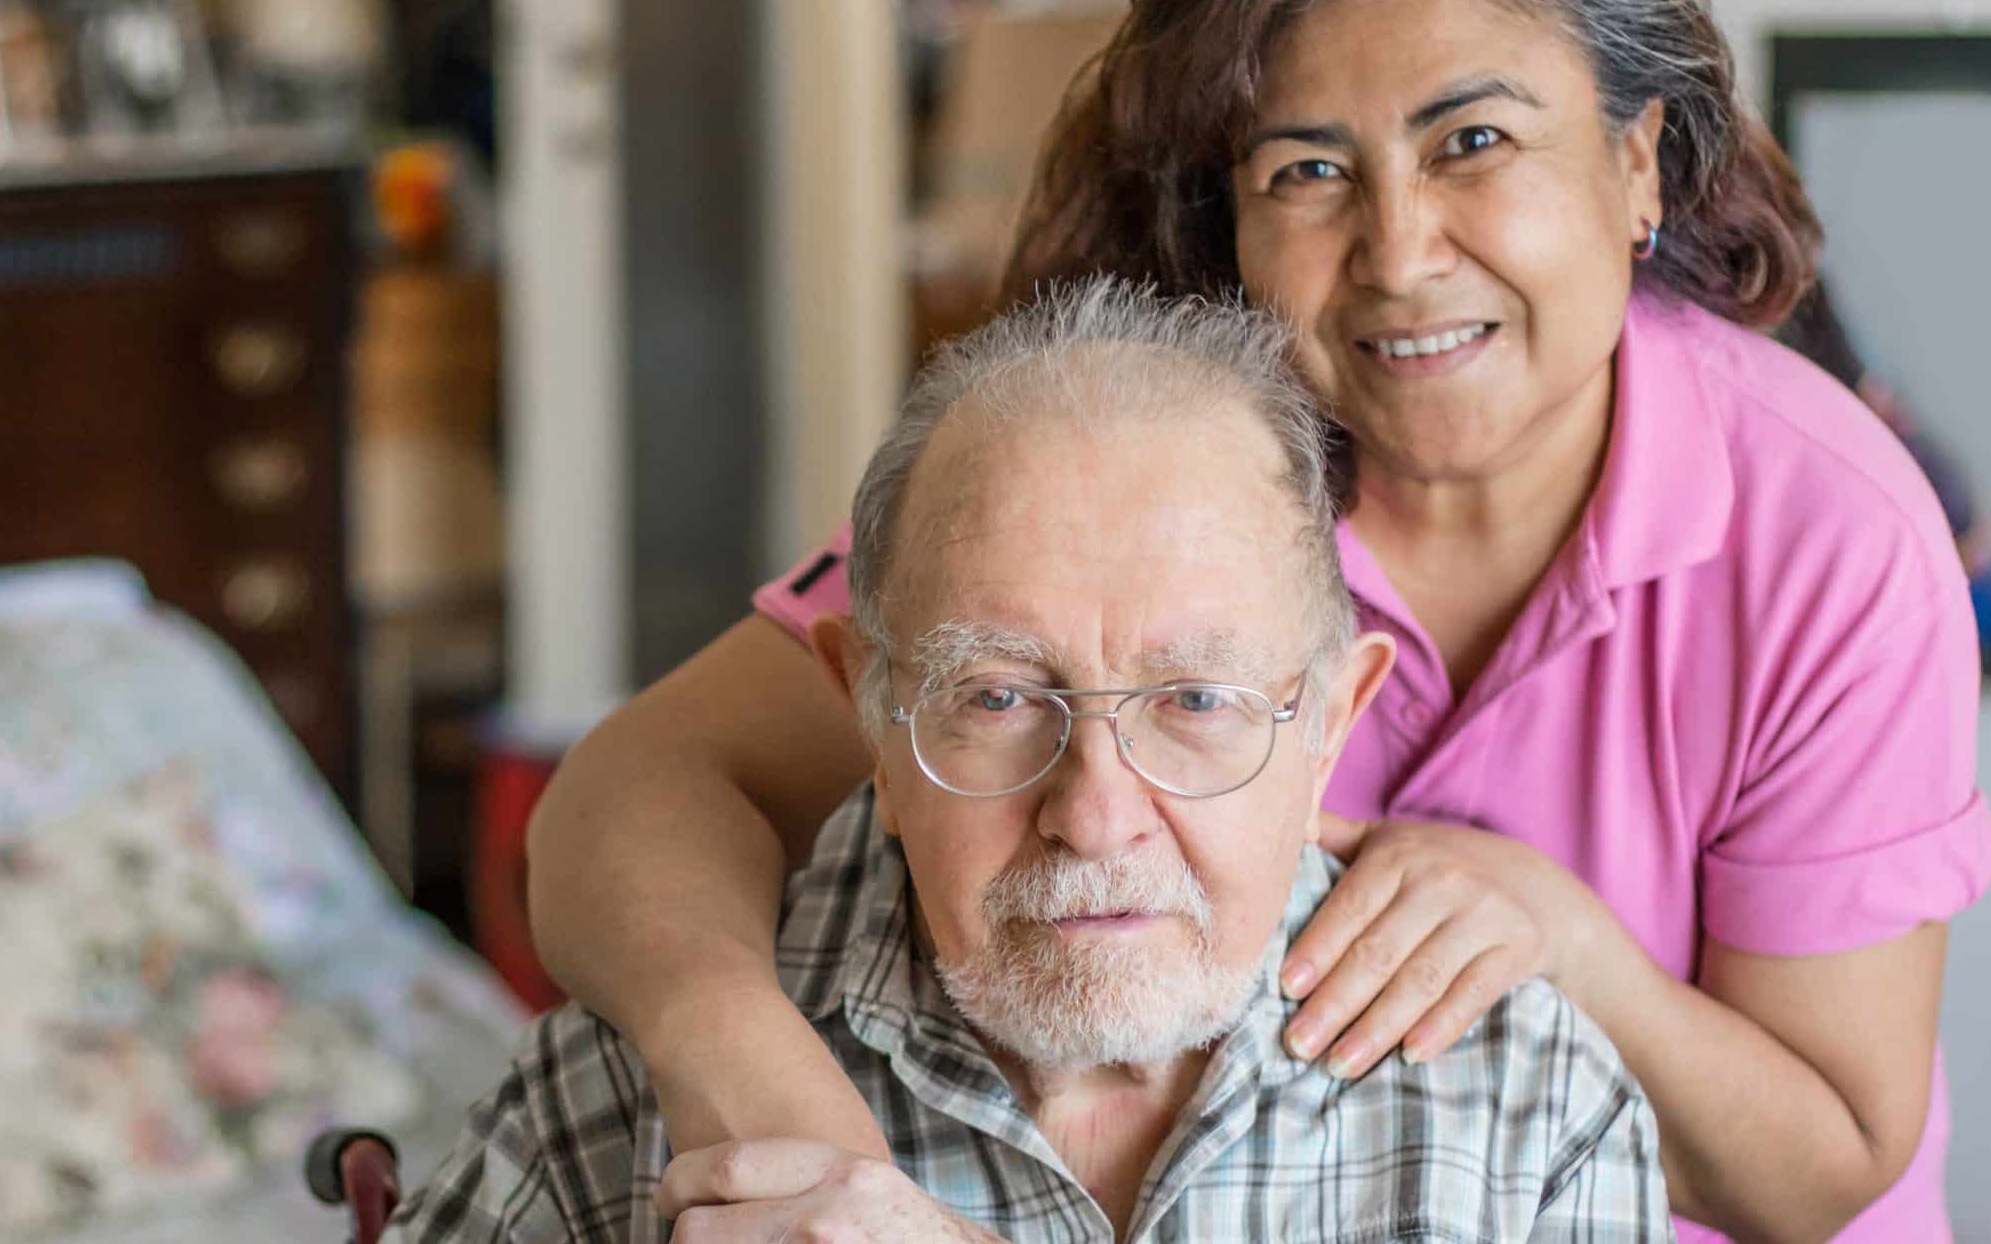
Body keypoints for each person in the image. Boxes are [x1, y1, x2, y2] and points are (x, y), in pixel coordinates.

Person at [523, 0, 1991, 1242]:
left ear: (1637, 166)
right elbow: (629, 794)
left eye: (1473, 141)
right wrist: (771, 1093)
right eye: (1306, 171)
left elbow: (1826, 1168)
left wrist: (1560, 941)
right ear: (1224, 221)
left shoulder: (1827, 531)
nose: (1401, 252)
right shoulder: (1140, 473)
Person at [403, 287, 1670, 1244]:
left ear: (1330, 724)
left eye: (1194, 700)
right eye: (999, 696)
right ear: (871, 712)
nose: (1097, 815)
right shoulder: (632, 1088)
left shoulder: (1523, 1104)